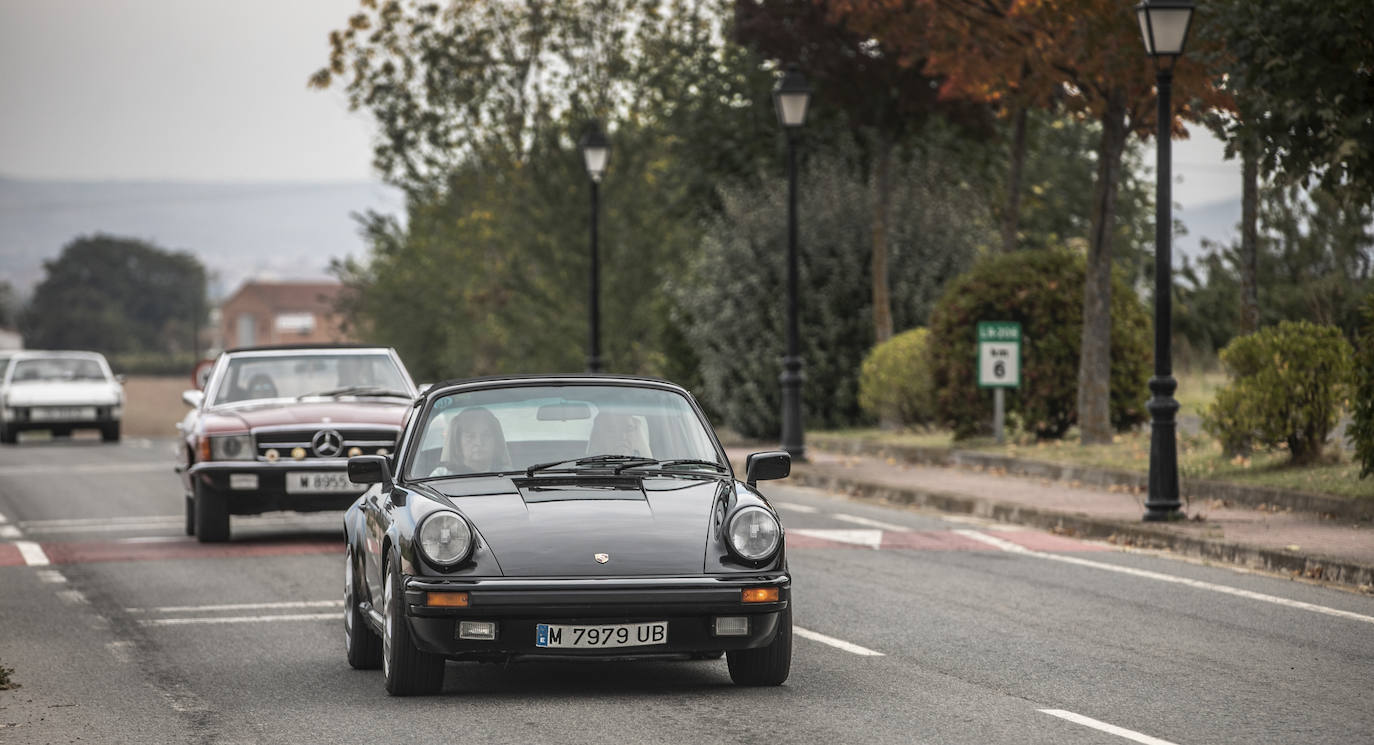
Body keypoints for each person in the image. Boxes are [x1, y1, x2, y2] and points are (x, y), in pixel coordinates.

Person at [430, 407, 511, 476]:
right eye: (470, 436)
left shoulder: (508, 475)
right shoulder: (441, 475)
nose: (479, 443)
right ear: (458, 442)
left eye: (486, 435)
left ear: (495, 441)